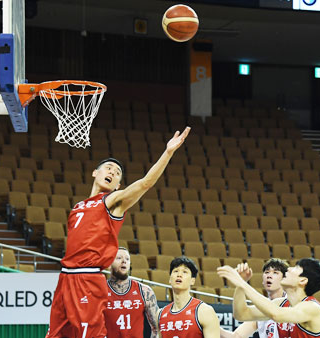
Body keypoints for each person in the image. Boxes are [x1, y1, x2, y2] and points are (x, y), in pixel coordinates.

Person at [46, 127, 191, 338]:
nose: (112, 172)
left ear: (118, 186)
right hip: (65, 278)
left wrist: (168, 152)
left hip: (87, 279)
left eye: (117, 173)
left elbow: (145, 183)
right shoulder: (77, 207)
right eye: (109, 168)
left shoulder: (112, 202)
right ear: (95, 173)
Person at [218, 258, 320, 338]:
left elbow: (276, 315)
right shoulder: (280, 303)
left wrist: (243, 284)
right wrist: (240, 285)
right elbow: (241, 314)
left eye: (296, 268)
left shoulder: (312, 307)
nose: (289, 269)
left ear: (303, 280)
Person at [220, 258, 289, 338]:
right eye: (266, 272)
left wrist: (241, 282)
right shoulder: (261, 309)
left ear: (284, 280)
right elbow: (236, 336)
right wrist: (209, 323)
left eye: (275, 273)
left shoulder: (290, 303)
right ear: (262, 281)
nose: (269, 276)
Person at [103, 247, 160, 338]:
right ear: (109, 264)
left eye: (127, 259)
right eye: (119, 258)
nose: (124, 261)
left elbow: (157, 328)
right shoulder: (101, 291)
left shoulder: (145, 291)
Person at [158, 256, 220, 338]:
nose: (179, 275)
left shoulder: (204, 311)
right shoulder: (159, 314)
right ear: (170, 279)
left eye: (184, 272)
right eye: (176, 271)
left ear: (192, 280)